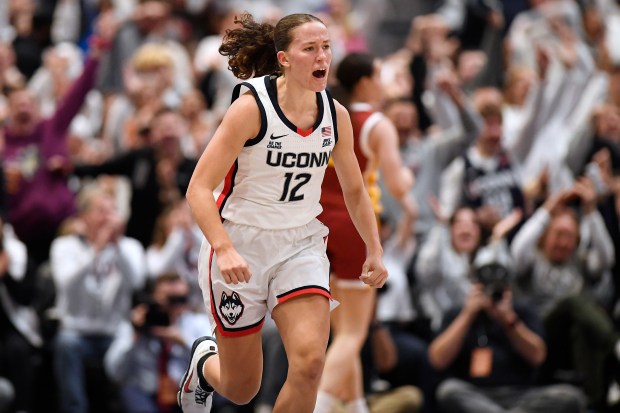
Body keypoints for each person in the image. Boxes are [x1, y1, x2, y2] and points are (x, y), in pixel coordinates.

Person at [178, 12, 387, 413]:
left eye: (326, 47)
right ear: (285, 59)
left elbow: (356, 190)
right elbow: (198, 189)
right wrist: (223, 248)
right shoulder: (251, 109)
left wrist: (374, 249)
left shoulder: (335, 115)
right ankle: (204, 365)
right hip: (241, 241)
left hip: (300, 242)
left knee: (310, 364)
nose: (322, 56)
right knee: (242, 388)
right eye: (310, 48)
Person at [314, 51, 415, 413]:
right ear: (367, 81)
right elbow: (397, 185)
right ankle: (319, 407)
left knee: (343, 334)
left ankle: (355, 407)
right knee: (354, 334)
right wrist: (410, 177)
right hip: (355, 225)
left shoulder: (325, 114)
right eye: (380, 74)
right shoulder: (377, 123)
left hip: (319, 223)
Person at [428, 262, 587, 413]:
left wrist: (509, 321)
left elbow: (538, 356)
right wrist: (467, 315)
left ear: (509, 290)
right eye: (485, 289)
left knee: (570, 397)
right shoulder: (457, 314)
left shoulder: (522, 313)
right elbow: (437, 359)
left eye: (498, 290)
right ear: (474, 289)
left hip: (520, 395)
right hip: (475, 394)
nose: (492, 296)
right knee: (448, 391)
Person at [50, 185, 147, 413]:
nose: (109, 217)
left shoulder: (129, 247)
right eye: (101, 211)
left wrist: (116, 247)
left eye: (112, 210)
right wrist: (96, 250)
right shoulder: (64, 246)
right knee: (65, 344)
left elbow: (137, 282)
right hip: (77, 332)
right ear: (84, 216)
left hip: (114, 333)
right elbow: (65, 284)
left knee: (135, 341)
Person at [104, 272, 211, 413]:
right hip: (144, 394)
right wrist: (135, 334)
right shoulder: (137, 323)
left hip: (185, 395)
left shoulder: (197, 324)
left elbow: (213, 362)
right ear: (155, 297)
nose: (176, 306)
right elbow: (113, 372)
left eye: (181, 299)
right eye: (170, 299)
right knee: (129, 391)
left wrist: (182, 341)